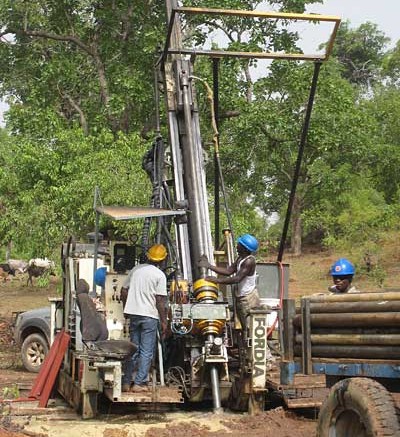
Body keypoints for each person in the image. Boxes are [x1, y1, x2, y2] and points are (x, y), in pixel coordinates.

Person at [120, 244, 168, 393]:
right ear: (163, 260)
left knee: (133, 349)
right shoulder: (160, 275)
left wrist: (126, 308)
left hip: (134, 314)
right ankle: (139, 383)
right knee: (147, 351)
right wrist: (164, 321)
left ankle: (126, 382)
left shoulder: (137, 270)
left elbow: (123, 290)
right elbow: (160, 300)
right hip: (149, 316)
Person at [199, 233, 260, 332]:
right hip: (241, 297)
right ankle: (244, 345)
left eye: (239, 244)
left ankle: (251, 345)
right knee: (244, 326)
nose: (236, 246)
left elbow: (237, 279)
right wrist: (209, 266)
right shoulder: (241, 258)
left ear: (244, 248)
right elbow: (229, 271)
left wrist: (217, 280)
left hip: (249, 299)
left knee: (251, 328)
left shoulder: (249, 262)